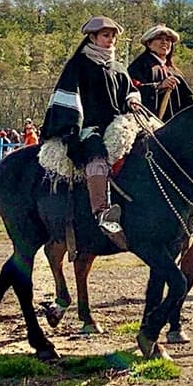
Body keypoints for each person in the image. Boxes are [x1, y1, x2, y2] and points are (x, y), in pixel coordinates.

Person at [42, 16, 143, 249]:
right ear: (92, 37)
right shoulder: (78, 65)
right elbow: (67, 101)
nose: (110, 40)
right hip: (89, 127)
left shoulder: (118, 67)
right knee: (97, 157)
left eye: (113, 36)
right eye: (106, 36)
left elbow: (130, 91)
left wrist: (132, 99)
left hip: (119, 123)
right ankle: (102, 213)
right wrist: (71, 133)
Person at [128, 24, 193, 121]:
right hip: (147, 123)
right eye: (159, 38)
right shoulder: (140, 65)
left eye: (168, 40)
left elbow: (187, 100)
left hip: (172, 125)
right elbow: (132, 90)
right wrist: (159, 86)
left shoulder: (173, 71)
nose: (164, 42)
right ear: (149, 44)